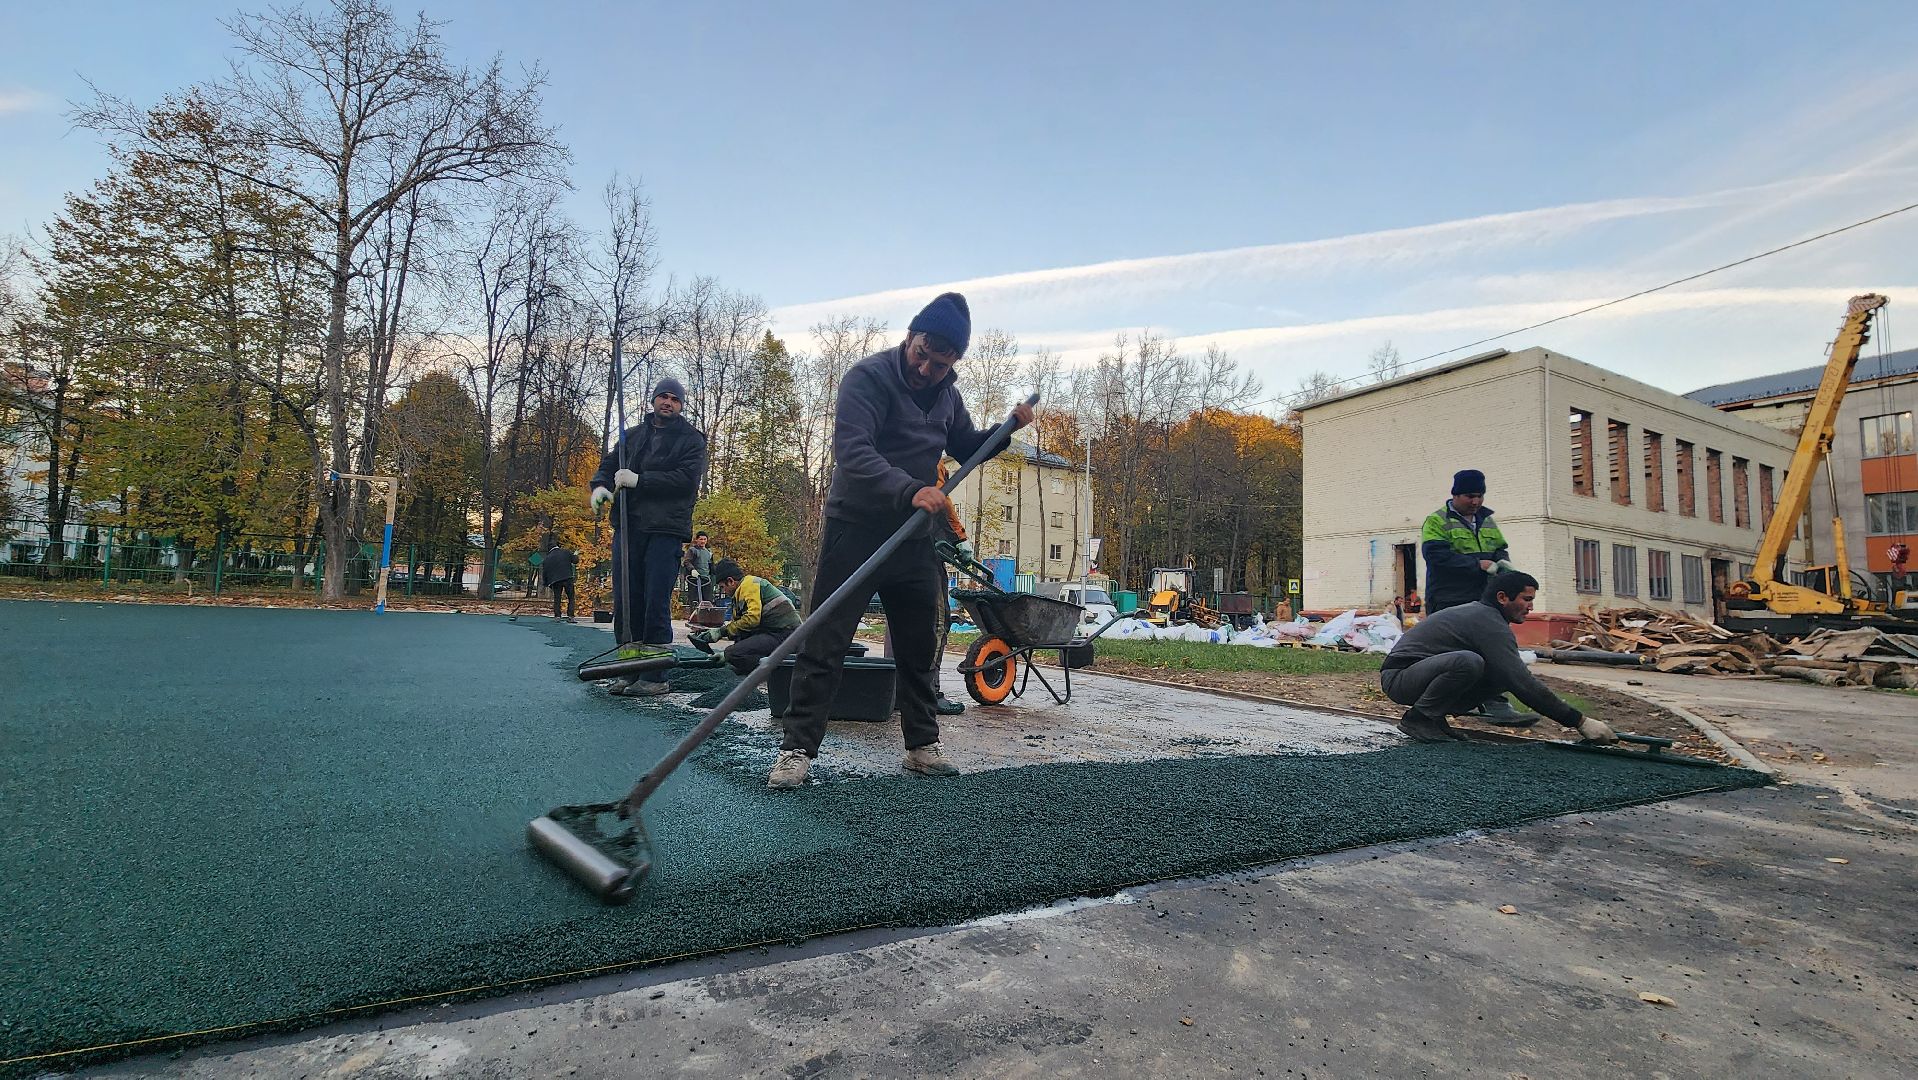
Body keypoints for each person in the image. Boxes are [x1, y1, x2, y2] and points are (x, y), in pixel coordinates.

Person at [767, 291, 1032, 789]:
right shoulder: (867, 378)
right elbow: (853, 451)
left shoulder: (948, 396)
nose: (926, 369)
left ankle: (921, 745)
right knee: (827, 637)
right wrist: (911, 490)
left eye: (941, 362)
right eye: (922, 354)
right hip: (857, 527)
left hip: (913, 535)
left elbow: (967, 446)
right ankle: (797, 750)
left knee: (920, 641)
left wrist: (1008, 429)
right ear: (910, 336)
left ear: (954, 361)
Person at [1380, 569, 1616, 746]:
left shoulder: (1489, 619)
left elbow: (1512, 676)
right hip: (1400, 676)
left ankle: (1434, 718)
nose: (1530, 607)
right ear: (1503, 598)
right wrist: (1580, 722)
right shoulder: (1486, 620)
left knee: (1501, 672)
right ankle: (1418, 718)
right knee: (1469, 662)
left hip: (1419, 675)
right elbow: (1523, 684)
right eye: (1526, 599)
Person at [590, 377, 709, 697]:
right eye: (663, 397)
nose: (668, 402)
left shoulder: (691, 440)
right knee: (627, 601)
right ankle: (628, 670)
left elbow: (685, 481)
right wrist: (600, 487)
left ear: (681, 405)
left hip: (665, 530)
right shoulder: (633, 437)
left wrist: (640, 480)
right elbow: (608, 466)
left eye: (674, 399)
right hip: (629, 528)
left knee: (655, 600)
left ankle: (655, 677)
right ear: (653, 401)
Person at [1421, 469, 1530, 722]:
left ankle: (1495, 702)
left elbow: (1500, 548)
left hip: (1483, 598)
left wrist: (1504, 563)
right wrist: (1475, 565)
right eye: (1470, 496)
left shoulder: (1487, 521)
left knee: (1492, 647)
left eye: (1479, 496)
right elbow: (1435, 556)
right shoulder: (1437, 520)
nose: (1476, 502)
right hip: (1448, 597)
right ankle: (1443, 702)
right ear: (1456, 495)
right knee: (1450, 652)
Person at [690, 559, 802, 676]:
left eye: (722, 587)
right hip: (776, 633)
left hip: (786, 636)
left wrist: (721, 634)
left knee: (733, 654)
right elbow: (741, 628)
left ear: (731, 581)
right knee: (735, 650)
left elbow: (752, 619)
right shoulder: (740, 592)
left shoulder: (749, 585)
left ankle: (771, 671)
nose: (723, 591)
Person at [540, 536, 577, 620]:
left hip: (555, 581)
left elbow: (545, 572)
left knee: (557, 598)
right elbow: (575, 560)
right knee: (571, 597)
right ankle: (570, 615)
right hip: (567, 578)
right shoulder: (566, 552)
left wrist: (546, 583)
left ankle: (557, 615)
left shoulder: (547, 559)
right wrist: (575, 555)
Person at [682, 531, 714, 606]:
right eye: (701, 539)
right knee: (694, 601)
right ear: (696, 540)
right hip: (695, 580)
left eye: (704, 539)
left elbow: (711, 566)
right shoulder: (692, 550)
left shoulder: (709, 552)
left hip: (706, 580)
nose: (703, 541)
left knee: (707, 601)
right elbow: (687, 562)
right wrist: (692, 570)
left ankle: (706, 616)